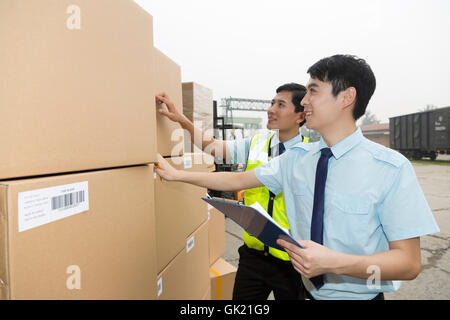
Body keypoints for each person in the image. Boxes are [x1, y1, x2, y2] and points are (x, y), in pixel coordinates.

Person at [155, 54, 440, 300]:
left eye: (313, 91)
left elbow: (408, 262)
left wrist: (336, 263)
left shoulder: (390, 169)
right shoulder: (296, 160)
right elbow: (237, 180)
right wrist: (176, 174)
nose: (305, 101)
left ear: (347, 97)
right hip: (300, 287)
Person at [155, 83, 311, 300]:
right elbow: (215, 148)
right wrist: (181, 119)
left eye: (281, 105)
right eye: (272, 102)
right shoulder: (257, 143)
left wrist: (177, 175)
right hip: (253, 256)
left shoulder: (310, 156)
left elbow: (236, 180)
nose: (271, 109)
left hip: (291, 262)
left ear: (300, 116)